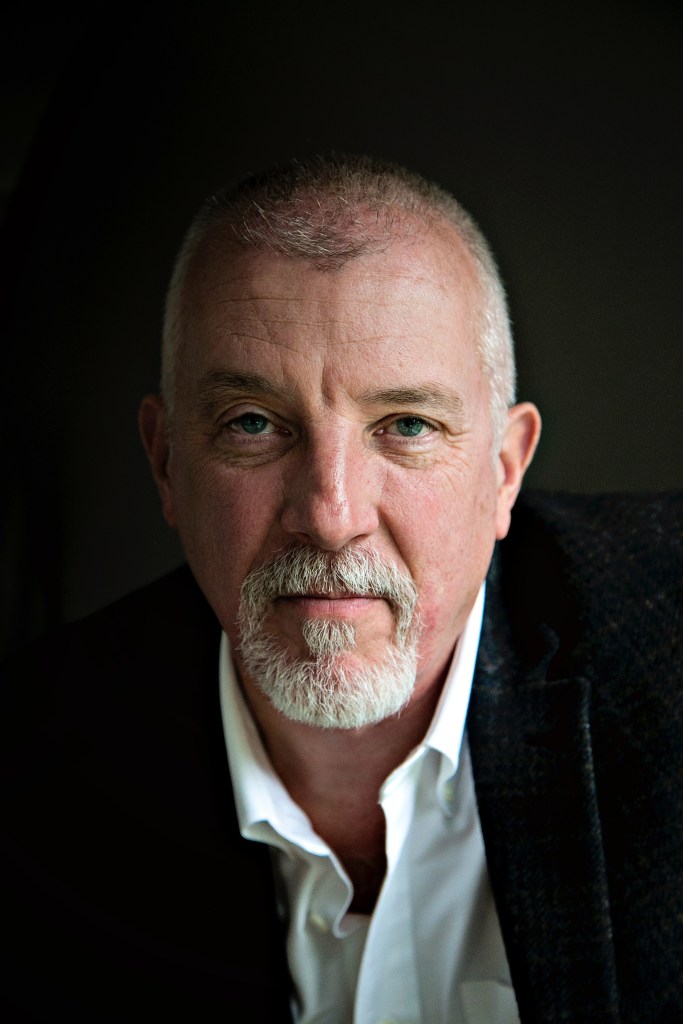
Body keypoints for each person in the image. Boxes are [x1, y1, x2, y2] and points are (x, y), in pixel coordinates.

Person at [2, 154, 681, 1024]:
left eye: (406, 426)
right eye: (254, 424)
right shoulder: (32, 778)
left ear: (504, 470)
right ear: (166, 463)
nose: (330, 516)